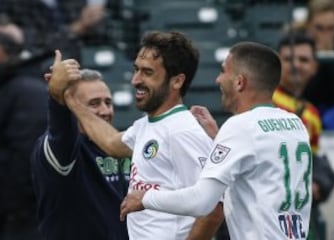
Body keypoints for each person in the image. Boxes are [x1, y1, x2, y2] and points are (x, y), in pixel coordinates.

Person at [120, 41, 313, 240]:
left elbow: (202, 201)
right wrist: (219, 138)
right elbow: (258, 164)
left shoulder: (240, 127)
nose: (218, 79)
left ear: (239, 82)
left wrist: (146, 198)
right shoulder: (294, 124)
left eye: (223, 71)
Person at [54, 31, 224, 239]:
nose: (135, 80)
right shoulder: (145, 125)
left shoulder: (183, 131)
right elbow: (112, 143)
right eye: (136, 70)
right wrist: (69, 99)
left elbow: (213, 208)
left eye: (147, 72)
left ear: (177, 81)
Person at [31, 57, 130, 239]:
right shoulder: (63, 150)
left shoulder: (121, 146)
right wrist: (58, 99)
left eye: (108, 102)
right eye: (94, 103)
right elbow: (61, 133)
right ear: (71, 106)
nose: (105, 111)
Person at [0, 22, 47, 239]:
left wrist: (6, 207)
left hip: (23, 218)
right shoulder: (10, 86)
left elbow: (26, 157)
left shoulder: (23, 90)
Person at [274, 33, 334, 240]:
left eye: (303, 60)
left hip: (298, 211)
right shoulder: (264, 98)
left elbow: (314, 158)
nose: (295, 65)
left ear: (315, 67)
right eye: (288, 59)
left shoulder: (312, 113)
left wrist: (317, 182)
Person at [291, 0, 334, 127]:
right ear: (308, 25)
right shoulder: (295, 42)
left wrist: (329, 54)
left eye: (331, 28)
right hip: (303, 106)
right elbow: (298, 89)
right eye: (319, 28)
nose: (325, 34)